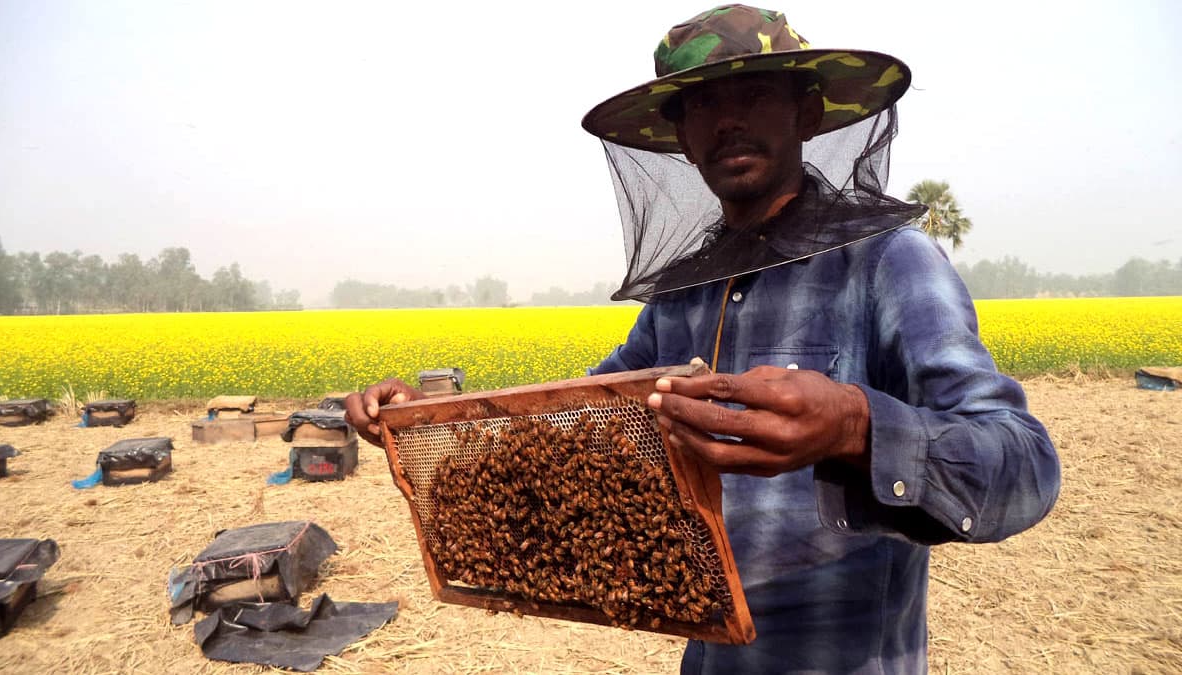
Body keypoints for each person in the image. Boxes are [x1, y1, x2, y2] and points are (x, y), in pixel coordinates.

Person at [348, 5, 1060, 674]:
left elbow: (1024, 464)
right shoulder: (684, 294)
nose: (727, 121)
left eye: (751, 94)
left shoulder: (889, 260)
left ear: (806, 112)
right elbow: (574, 422)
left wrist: (855, 424)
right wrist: (423, 422)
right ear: (681, 139)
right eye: (702, 105)